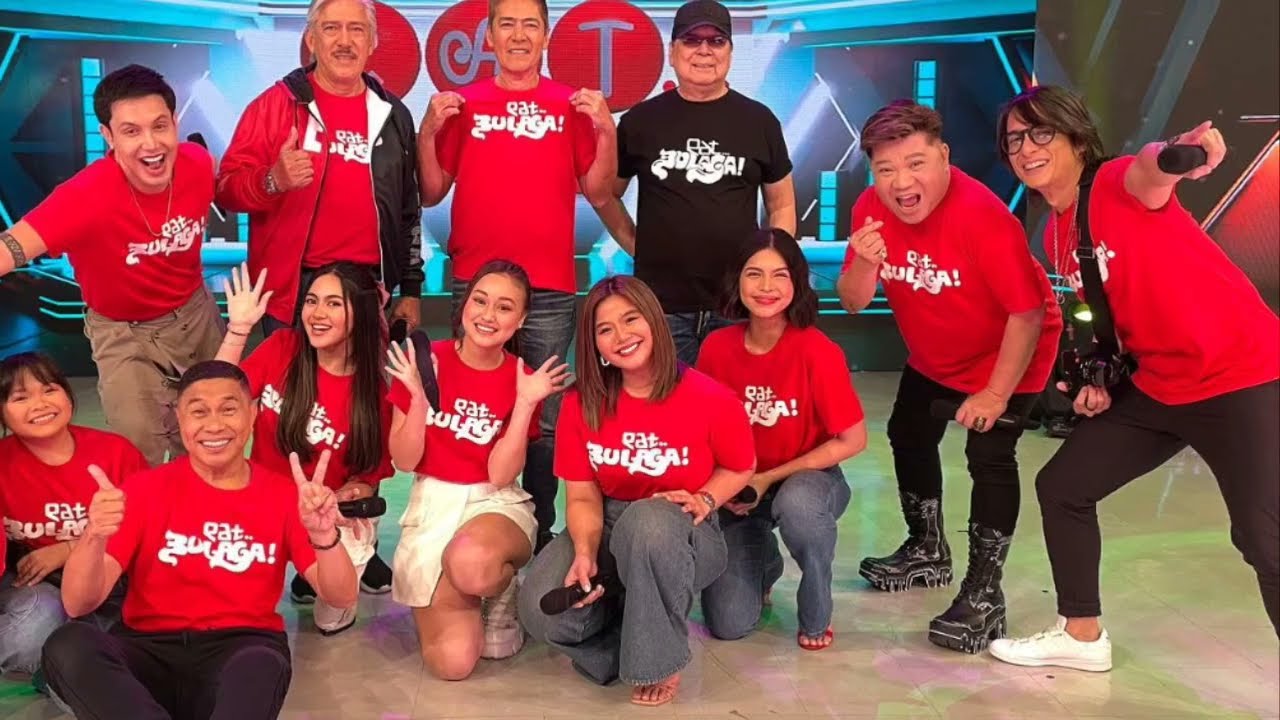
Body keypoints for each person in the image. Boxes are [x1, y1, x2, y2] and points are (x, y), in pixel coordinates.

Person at [988, 85, 1280, 671]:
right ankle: (1081, 635)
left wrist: (1182, 153)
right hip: (1162, 383)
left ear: (1077, 138)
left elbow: (1152, 168)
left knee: (1263, 538)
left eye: (1041, 132)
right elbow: (1114, 316)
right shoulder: (1057, 231)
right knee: (1063, 487)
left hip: (1241, 373)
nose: (1026, 148)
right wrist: (1101, 379)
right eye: (1014, 140)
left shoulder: (1115, 181)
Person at [835, 100, 1062, 654]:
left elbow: (1027, 313)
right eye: (886, 169)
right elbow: (854, 301)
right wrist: (863, 260)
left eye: (915, 164)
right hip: (936, 352)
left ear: (943, 156)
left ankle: (984, 593)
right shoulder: (870, 207)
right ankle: (927, 548)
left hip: (1011, 352)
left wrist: (995, 394)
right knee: (908, 433)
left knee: (989, 456)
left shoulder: (984, 217)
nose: (901, 183)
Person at [40, 360, 358, 720]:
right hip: (148, 649)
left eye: (228, 409)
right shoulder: (144, 489)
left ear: (252, 414)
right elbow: (79, 603)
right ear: (180, 419)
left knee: (260, 666)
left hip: (242, 647)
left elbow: (341, 596)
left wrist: (324, 536)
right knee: (68, 644)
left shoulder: (285, 496)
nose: (214, 425)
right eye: (199, 412)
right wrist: (94, 534)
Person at [417, 0, 616, 553]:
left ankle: (539, 525)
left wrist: (605, 130)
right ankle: (474, 511)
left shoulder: (570, 106)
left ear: (546, 36)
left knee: (546, 416)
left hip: (549, 286)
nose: (519, 34)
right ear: (489, 35)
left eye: (531, 24)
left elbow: (599, 189)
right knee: (473, 403)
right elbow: (431, 191)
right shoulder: (465, 105)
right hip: (476, 285)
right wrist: (428, 131)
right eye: (508, 23)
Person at [518, 275, 755, 707]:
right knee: (539, 612)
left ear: (654, 321)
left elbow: (741, 466)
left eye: (631, 319)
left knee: (649, 522)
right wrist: (585, 552)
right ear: (595, 344)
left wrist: (704, 498)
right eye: (605, 329)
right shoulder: (581, 402)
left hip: (684, 527)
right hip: (609, 520)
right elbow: (582, 495)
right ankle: (629, 632)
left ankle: (657, 660)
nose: (621, 336)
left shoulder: (710, 396)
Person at [0, 64, 225, 466]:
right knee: (138, 450)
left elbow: (238, 189)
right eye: (131, 131)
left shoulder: (198, 162)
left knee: (214, 434)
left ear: (175, 123)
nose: (151, 144)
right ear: (108, 136)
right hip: (124, 332)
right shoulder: (83, 196)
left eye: (160, 126)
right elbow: (10, 248)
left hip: (196, 315)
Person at [383, 260, 571, 679]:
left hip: (494, 503)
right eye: (480, 301)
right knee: (452, 664)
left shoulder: (524, 378)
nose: (488, 315)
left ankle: (500, 592)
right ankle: (462, 593)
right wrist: (418, 399)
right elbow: (404, 461)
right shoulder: (424, 360)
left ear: (521, 319)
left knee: (472, 564)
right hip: (432, 503)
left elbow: (502, 475)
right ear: (464, 305)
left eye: (505, 307)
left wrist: (525, 404)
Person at [596, 0, 797, 366]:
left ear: (730, 52)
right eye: (692, 40)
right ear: (673, 51)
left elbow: (781, 203)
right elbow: (607, 194)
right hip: (662, 304)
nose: (704, 50)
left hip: (738, 301)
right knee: (669, 396)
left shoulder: (759, 121)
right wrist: (635, 243)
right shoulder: (641, 121)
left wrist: (769, 270)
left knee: (734, 397)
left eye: (716, 41)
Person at [696, 229, 868, 650]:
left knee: (799, 506)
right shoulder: (716, 348)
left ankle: (816, 613)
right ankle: (765, 563)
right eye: (754, 274)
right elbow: (702, 432)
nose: (766, 287)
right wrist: (722, 488)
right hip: (742, 486)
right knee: (728, 623)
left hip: (809, 480)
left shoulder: (818, 351)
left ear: (797, 282)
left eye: (780, 275)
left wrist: (768, 478)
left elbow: (853, 439)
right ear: (737, 280)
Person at [216, 0, 423, 336]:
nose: (345, 41)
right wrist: (272, 180)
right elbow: (226, 189)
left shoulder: (393, 113)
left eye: (357, 29)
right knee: (291, 374)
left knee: (365, 374)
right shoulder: (274, 105)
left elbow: (408, 209)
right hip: (294, 293)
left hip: (368, 289)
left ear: (372, 42)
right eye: (331, 28)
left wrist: (411, 290)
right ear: (311, 40)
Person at [214, 262, 394, 635]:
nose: (317, 314)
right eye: (312, 301)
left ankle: (324, 563)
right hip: (264, 502)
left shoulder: (376, 391)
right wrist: (238, 329)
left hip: (326, 513)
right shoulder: (283, 347)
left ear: (360, 314)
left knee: (332, 614)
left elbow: (367, 479)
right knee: (231, 607)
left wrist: (345, 496)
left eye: (333, 303)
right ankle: (297, 563)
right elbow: (215, 395)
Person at [0, 353, 147, 684]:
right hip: (31, 580)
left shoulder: (115, 451)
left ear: (67, 395)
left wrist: (68, 549)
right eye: (20, 398)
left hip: (107, 570)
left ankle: (75, 659)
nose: (40, 404)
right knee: (31, 635)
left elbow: (148, 528)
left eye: (49, 390)